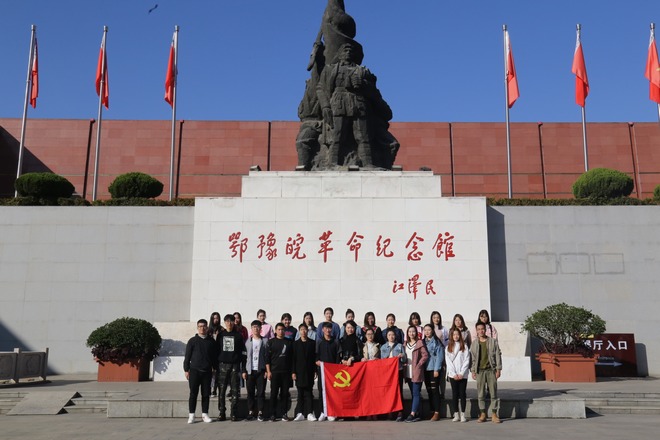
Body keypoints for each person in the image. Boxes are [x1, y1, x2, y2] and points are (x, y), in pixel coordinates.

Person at [316, 43, 374, 168]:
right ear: (339, 54)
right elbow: (320, 88)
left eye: (350, 51)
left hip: (357, 103)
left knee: (362, 135)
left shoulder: (362, 70)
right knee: (337, 134)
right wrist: (325, 106)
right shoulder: (330, 69)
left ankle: (368, 164)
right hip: (338, 103)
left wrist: (363, 83)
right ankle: (332, 163)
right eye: (345, 50)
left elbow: (373, 89)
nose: (348, 53)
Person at [183, 319, 218, 424]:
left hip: (207, 371)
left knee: (206, 394)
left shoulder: (211, 341)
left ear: (207, 327)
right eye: (200, 326)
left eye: (204, 326)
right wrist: (186, 370)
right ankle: (191, 415)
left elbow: (214, 357)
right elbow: (187, 356)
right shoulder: (192, 341)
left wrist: (215, 369)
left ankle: (205, 414)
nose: (202, 328)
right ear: (197, 328)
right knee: (193, 393)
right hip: (194, 371)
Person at [470, 321, 503, 424]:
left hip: (491, 370)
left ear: (485, 330)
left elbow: (498, 355)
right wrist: (473, 371)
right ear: (476, 331)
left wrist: (498, 369)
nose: (481, 331)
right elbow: (473, 358)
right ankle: (483, 413)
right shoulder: (474, 343)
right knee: (481, 394)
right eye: (479, 329)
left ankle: (494, 414)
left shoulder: (493, 342)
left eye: (482, 329)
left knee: (493, 393)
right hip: (480, 371)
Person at [216, 314, 246, 421]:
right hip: (222, 365)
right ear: (224, 322)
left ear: (234, 322)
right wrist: (215, 366)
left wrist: (243, 368)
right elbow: (216, 350)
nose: (229, 323)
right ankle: (222, 412)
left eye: (231, 321)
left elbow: (243, 353)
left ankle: (234, 413)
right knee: (222, 390)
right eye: (227, 321)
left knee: (235, 390)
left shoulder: (238, 336)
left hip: (235, 365)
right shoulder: (220, 335)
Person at [266, 323, 294, 422]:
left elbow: (292, 359)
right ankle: (272, 414)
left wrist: (292, 372)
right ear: (275, 330)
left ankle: (284, 414)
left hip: (286, 372)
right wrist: (268, 371)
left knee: (284, 394)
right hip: (274, 372)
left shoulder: (289, 342)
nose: (281, 331)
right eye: (279, 329)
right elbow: (267, 359)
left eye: (282, 329)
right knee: (273, 393)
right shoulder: (271, 342)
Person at [316, 321, 341, 421]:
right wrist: (317, 363)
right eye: (326, 328)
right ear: (322, 330)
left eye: (329, 328)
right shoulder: (319, 342)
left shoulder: (335, 342)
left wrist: (336, 368)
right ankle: (323, 412)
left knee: (332, 392)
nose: (328, 330)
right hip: (322, 371)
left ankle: (331, 412)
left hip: (333, 372)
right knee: (321, 391)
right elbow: (316, 356)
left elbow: (337, 357)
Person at [292, 323, 317, 422]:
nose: (303, 331)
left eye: (305, 329)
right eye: (301, 329)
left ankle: (310, 413)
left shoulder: (312, 343)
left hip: (309, 371)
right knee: (300, 393)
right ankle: (300, 413)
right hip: (299, 372)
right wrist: (293, 372)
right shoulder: (295, 344)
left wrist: (315, 370)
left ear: (308, 331)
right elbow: (293, 359)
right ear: (299, 331)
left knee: (309, 393)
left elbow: (315, 358)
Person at [243, 320, 267, 422]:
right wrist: (244, 370)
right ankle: (251, 412)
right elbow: (244, 358)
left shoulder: (265, 341)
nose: (255, 329)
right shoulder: (247, 342)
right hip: (250, 371)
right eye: (254, 327)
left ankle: (260, 412)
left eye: (257, 327)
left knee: (261, 392)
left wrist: (267, 370)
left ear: (260, 329)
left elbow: (267, 357)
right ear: (251, 329)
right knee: (250, 392)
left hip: (261, 370)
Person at [403, 325, 428, 422]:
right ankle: (418, 413)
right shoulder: (405, 344)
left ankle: (412, 413)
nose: (411, 333)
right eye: (410, 332)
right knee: (413, 393)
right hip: (408, 371)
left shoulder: (419, 343)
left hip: (416, 371)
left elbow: (425, 355)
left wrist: (419, 364)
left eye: (413, 331)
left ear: (416, 333)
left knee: (416, 392)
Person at [381, 328, 406, 422]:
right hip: (388, 372)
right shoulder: (383, 347)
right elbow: (382, 360)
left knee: (399, 391)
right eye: (389, 335)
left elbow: (404, 360)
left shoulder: (399, 346)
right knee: (389, 391)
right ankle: (390, 411)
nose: (391, 337)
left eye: (393, 335)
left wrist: (402, 356)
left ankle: (400, 412)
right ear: (386, 337)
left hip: (398, 370)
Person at [446, 328, 470, 423]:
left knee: (462, 394)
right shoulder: (448, 347)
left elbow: (466, 360)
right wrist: (454, 374)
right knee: (455, 394)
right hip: (453, 375)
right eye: (454, 335)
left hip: (463, 375)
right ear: (451, 336)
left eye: (457, 334)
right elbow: (448, 362)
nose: (456, 336)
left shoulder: (464, 346)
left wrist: (461, 373)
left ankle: (463, 414)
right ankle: (456, 414)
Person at [423, 324, 444, 421]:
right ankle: (431, 411)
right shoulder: (422, 342)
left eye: (429, 330)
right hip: (425, 369)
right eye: (425, 330)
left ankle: (437, 412)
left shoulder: (436, 342)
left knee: (435, 391)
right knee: (429, 391)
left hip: (433, 369)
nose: (427, 332)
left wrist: (436, 369)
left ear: (432, 331)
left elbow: (440, 357)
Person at [208, 311, 223, 397]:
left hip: (218, 354)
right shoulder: (208, 330)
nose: (216, 320)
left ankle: (214, 390)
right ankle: (209, 389)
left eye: (217, 318)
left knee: (217, 373)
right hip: (210, 354)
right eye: (214, 318)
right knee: (210, 373)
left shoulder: (221, 329)